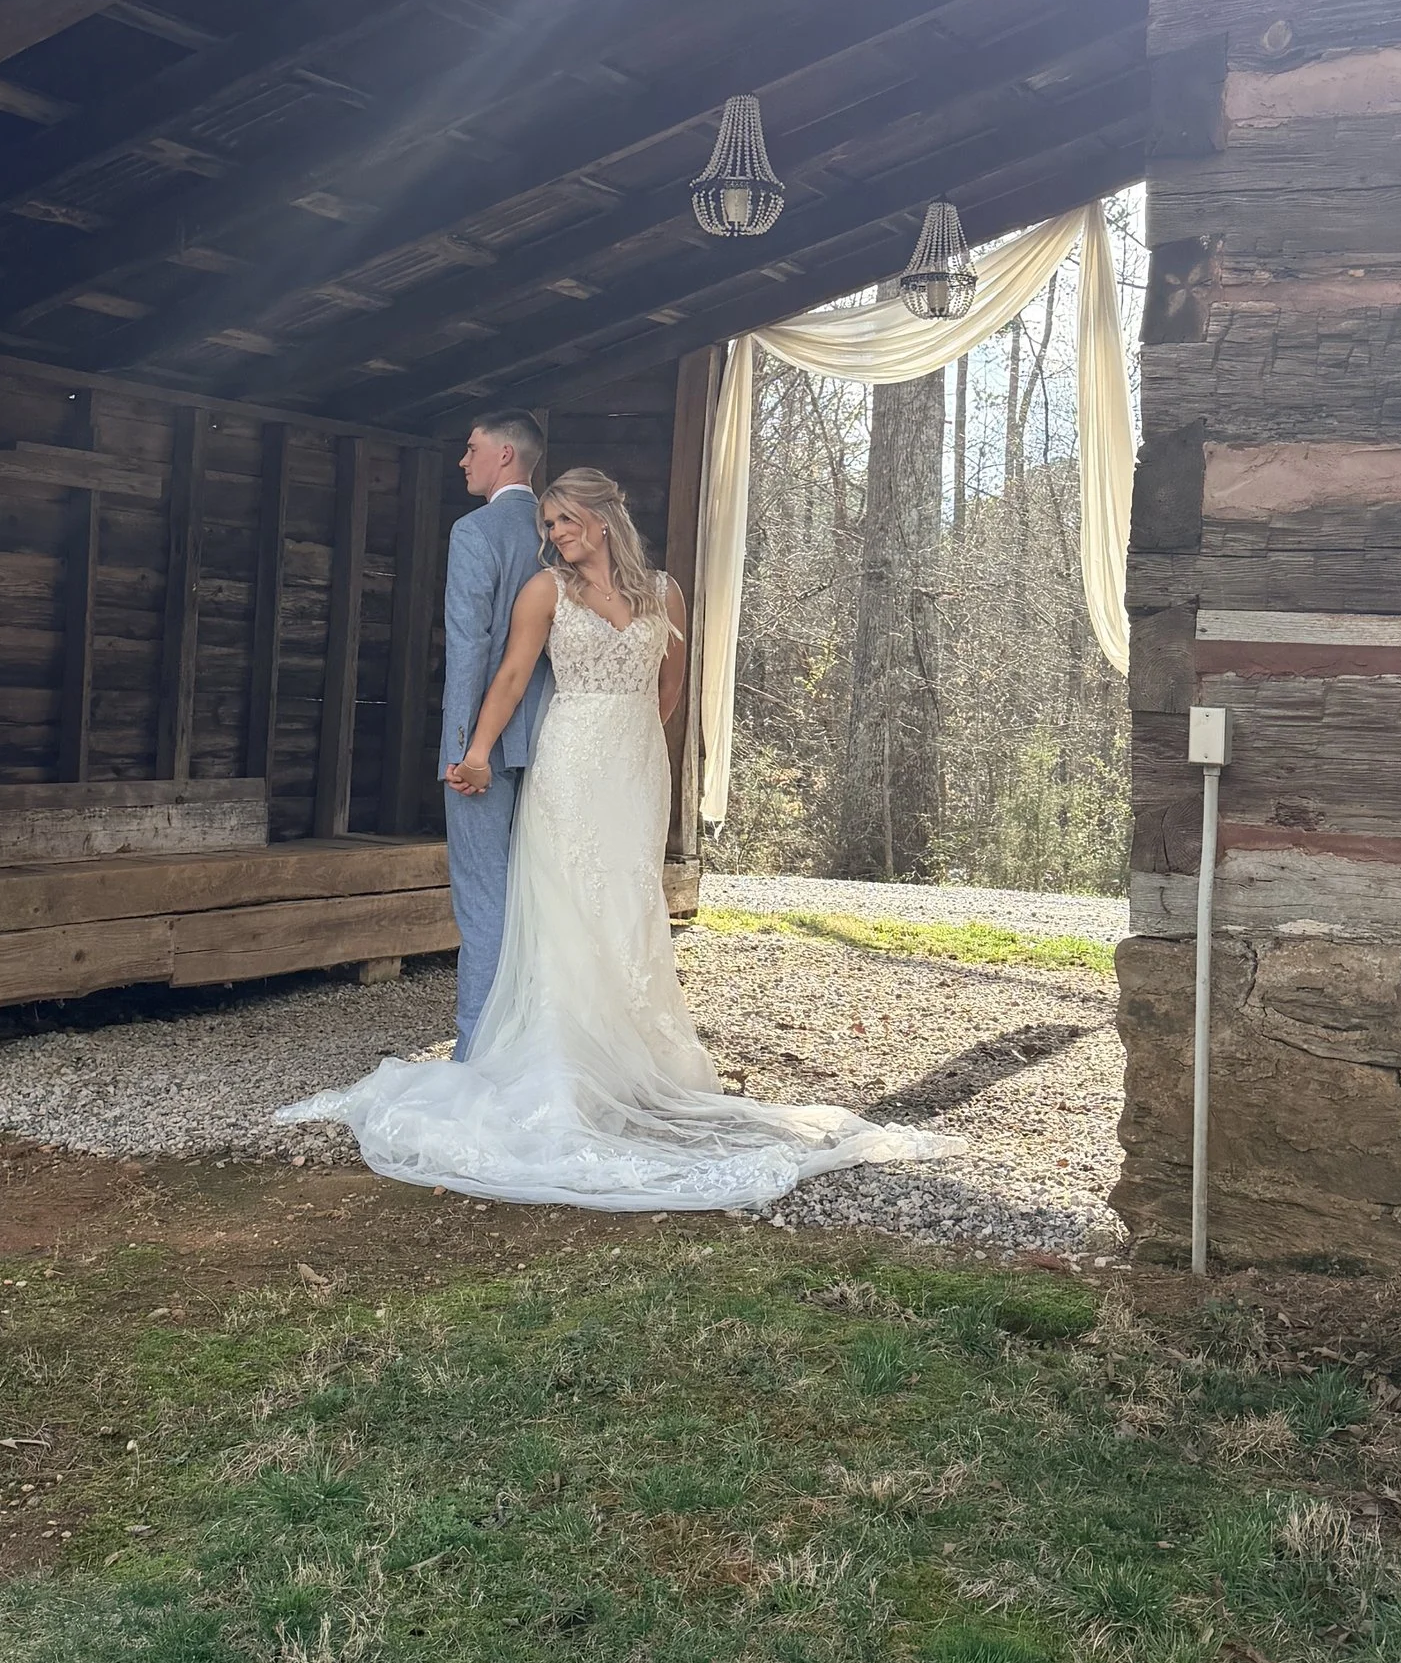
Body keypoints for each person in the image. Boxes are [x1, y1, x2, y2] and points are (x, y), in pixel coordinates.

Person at [280, 466, 933, 1210]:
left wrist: (637, 742)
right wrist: (478, 752)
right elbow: (512, 676)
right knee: (569, 900)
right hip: (569, 759)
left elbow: (671, 683)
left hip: (634, 764)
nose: (555, 533)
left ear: (602, 516)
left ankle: (634, 1056)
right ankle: (568, 1064)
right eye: (548, 523)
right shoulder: (546, 592)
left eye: (565, 519)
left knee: (628, 903)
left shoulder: (664, 592)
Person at [438, 410, 552, 1055]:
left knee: (483, 900)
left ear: (505, 454)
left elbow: (469, 646)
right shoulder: (561, 532)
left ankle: (477, 1053)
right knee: (542, 896)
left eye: (472, 447)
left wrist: (463, 747)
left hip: (485, 744)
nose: (463, 460)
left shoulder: (476, 530)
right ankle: (537, 1045)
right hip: (556, 738)